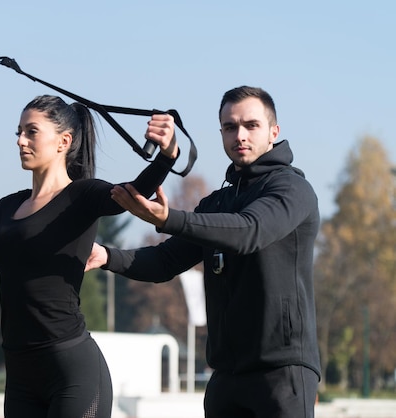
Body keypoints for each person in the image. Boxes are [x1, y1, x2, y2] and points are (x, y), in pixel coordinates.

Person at [0, 94, 179, 418]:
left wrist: (167, 156)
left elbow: (134, 192)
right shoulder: (12, 205)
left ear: (63, 141)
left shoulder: (83, 196)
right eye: (19, 132)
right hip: (20, 375)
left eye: (31, 132)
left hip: (72, 371)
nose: (20, 141)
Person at [85, 86, 321, 418]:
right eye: (229, 127)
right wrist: (107, 256)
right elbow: (165, 262)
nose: (240, 135)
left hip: (281, 374)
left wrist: (170, 218)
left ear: (274, 132)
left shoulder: (293, 189)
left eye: (251, 125)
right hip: (225, 377)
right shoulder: (216, 203)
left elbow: (248, 231)